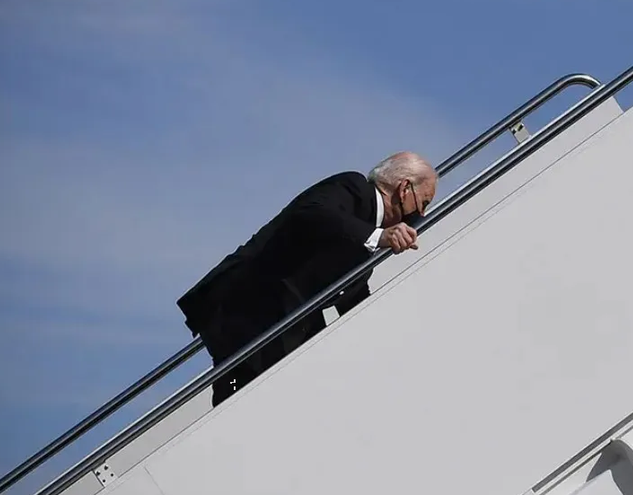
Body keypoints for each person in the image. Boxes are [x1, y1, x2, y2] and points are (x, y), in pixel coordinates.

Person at [177, 152, 438, 407]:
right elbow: (311, 213)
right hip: (247, 304)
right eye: (424, 203)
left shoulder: (367, 232)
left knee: (294, 389)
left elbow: (351, 293)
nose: (422, 215)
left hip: (281, 315)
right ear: (404, 189)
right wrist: (378, 236)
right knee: (236, 393)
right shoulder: (354, 188)